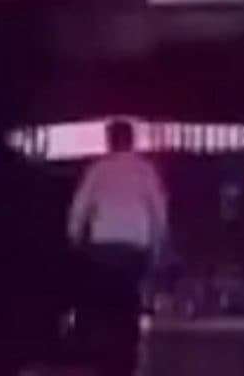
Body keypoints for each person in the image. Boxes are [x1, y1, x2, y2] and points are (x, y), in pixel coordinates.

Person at [67, 118, 168, 376]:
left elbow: (79, 208)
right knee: (129, 303)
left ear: (109, 141)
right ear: (132, 141)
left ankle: (105, 359)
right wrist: (157, 246)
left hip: (103, 247)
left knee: (105, 306)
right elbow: (158, 211)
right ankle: (127, 360)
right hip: (134, 247)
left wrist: (75, 239)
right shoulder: (145, 170)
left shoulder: (97, 170)